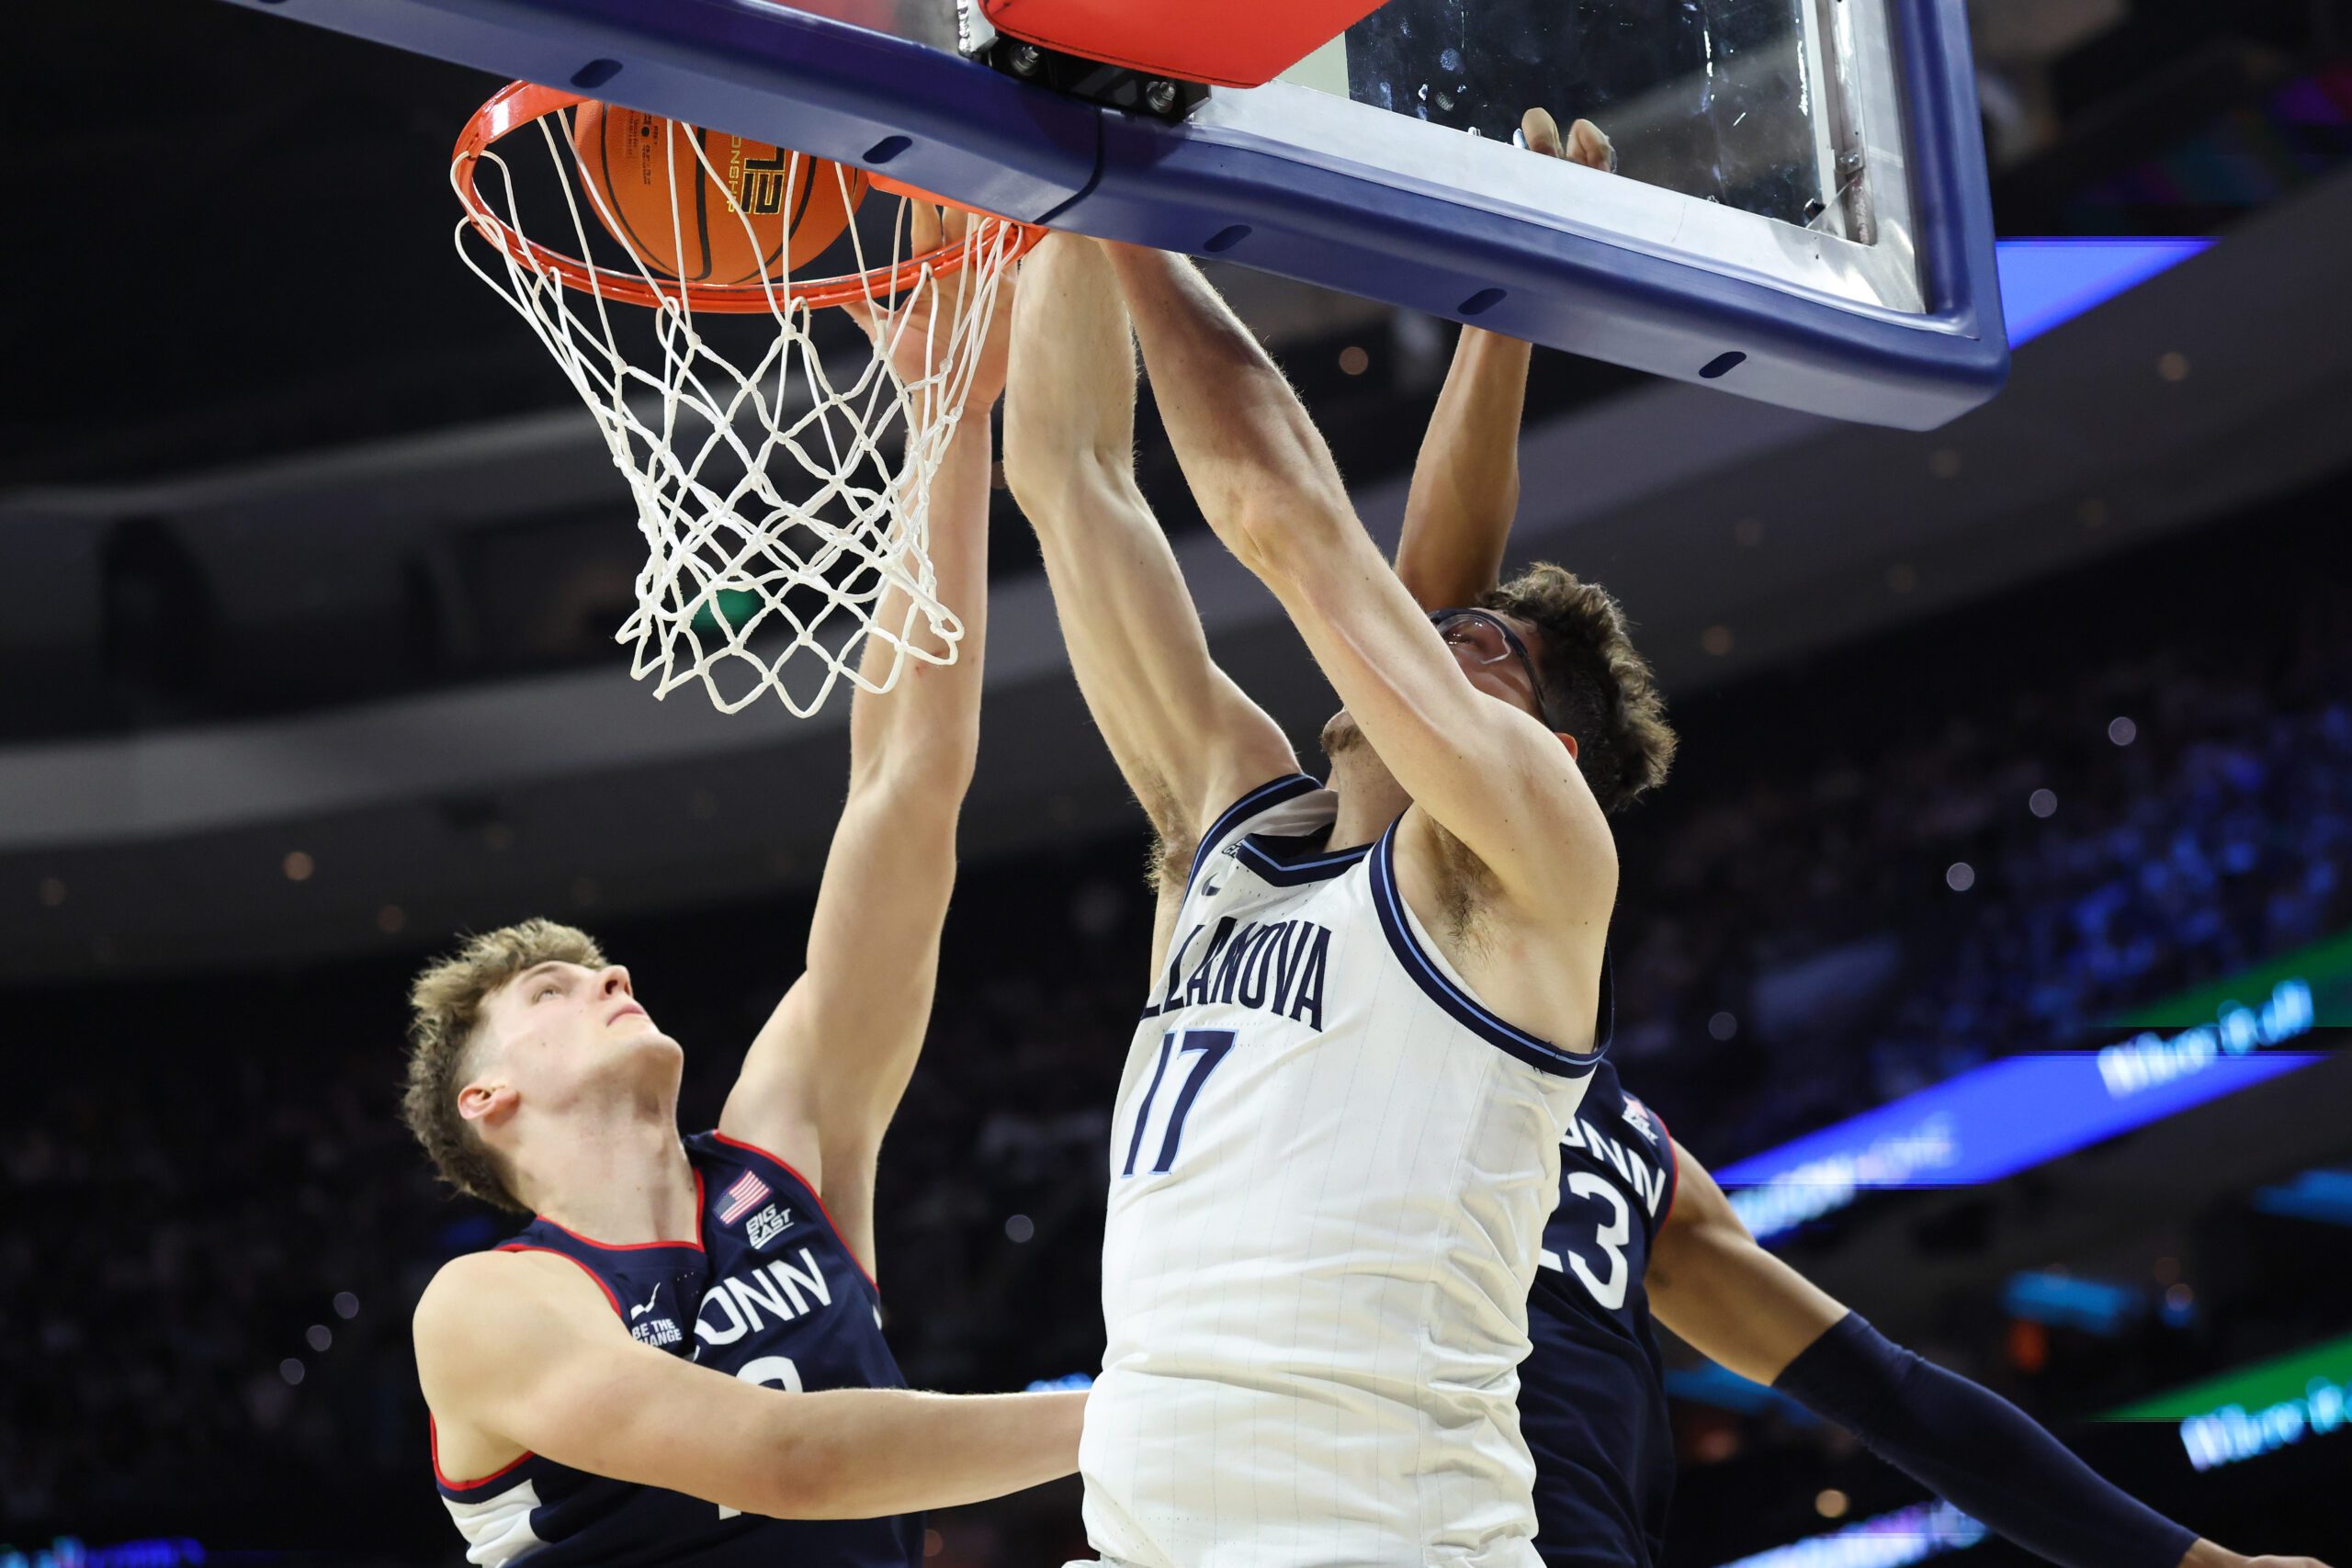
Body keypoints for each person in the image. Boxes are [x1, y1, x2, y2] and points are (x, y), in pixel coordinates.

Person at [1397, 110, 2335, 1568]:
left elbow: (1895, 1398)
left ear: (1550, 767)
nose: (1438, 659)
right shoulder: (1332, 916)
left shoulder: (1627, 1150)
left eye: (1488, 658)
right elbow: (1398, 593)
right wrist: (1505, 298)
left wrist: (2186, 1562)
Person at [400, 214, 1082, 1566]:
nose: (610, 976)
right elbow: (790, 1458)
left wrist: (948, 411)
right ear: (489, 1102)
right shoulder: (491, 1306)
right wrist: (1142, 1412)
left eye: (601, 965)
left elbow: (907, 782)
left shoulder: (791, 1150)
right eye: (553, 988)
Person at [1001, 218, 1673, 1563]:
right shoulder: (1229, 829)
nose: (1424, 630)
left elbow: (1283, 518)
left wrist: (1121, 189)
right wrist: (1052, 207)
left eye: (1476, 646)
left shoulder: (1529, 864)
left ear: (1543, 756)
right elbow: (1071, 477)